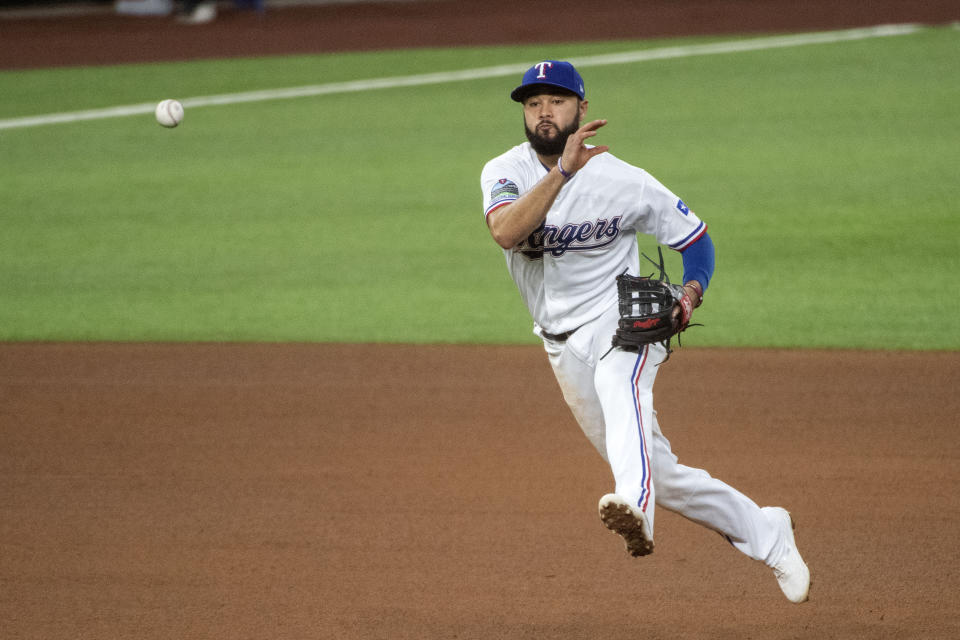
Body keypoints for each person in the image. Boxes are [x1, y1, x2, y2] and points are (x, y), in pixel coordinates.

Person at [480, 60, 810, 603]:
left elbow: (696, 239)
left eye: (557, 100)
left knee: (621, 385)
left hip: (621, 319)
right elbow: (507, 232)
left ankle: (634, 506)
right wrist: (561, 173)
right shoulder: (504, 172)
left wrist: (689, 294)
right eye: (533, 102)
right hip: (560, 342)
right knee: (662, 469)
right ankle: (766, 532)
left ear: (581, 109)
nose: (544, 111)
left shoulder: (623, 181)